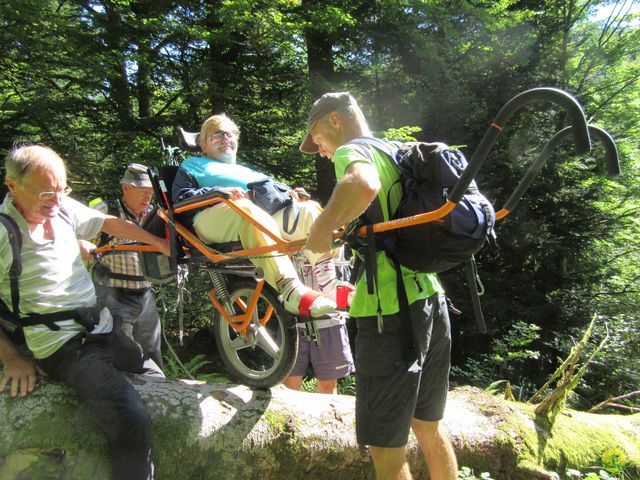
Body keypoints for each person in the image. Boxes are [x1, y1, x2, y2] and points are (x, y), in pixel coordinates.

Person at [300, 92, 458, 480]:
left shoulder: (352, 151)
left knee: (386, 447)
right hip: (431, 301)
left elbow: (363, 183)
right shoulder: (393, 151)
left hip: (389, 313)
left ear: (335, 120)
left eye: (316, 137)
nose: (319, 150)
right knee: (428, 426)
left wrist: (318, 235)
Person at [0, 145, 169, 480]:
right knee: (130, 418)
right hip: (63, 347)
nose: (57, 199)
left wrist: (159, 243)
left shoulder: (60, 209)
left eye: (63, 190)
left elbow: (107, 221)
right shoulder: (5, 233)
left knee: (158, 381)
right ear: (12, 186)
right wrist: (10, 358)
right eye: (47, 192)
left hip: (102, 327)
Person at [172, 113, 346, 318]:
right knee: (246, 210)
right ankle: (290, 290)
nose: (226, 139)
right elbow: (180, 198)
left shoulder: (247, 171)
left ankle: (329, 283)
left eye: (230, 134)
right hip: (211, 218)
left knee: (308, 210)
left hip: (259, 216)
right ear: (203, 145)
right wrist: (219, 192)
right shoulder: (192, 166)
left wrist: (290, 194)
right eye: (217, 135)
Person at [87, 163, 163, 369]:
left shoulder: (153, 215)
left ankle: (160, 392)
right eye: (142, 192)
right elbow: (78, 242)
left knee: (152, 351)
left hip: (146, 295)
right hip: (113, 296)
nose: (147, 198)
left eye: (150, 193)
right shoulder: (106, 211)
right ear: (126, 188)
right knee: (124, 354)